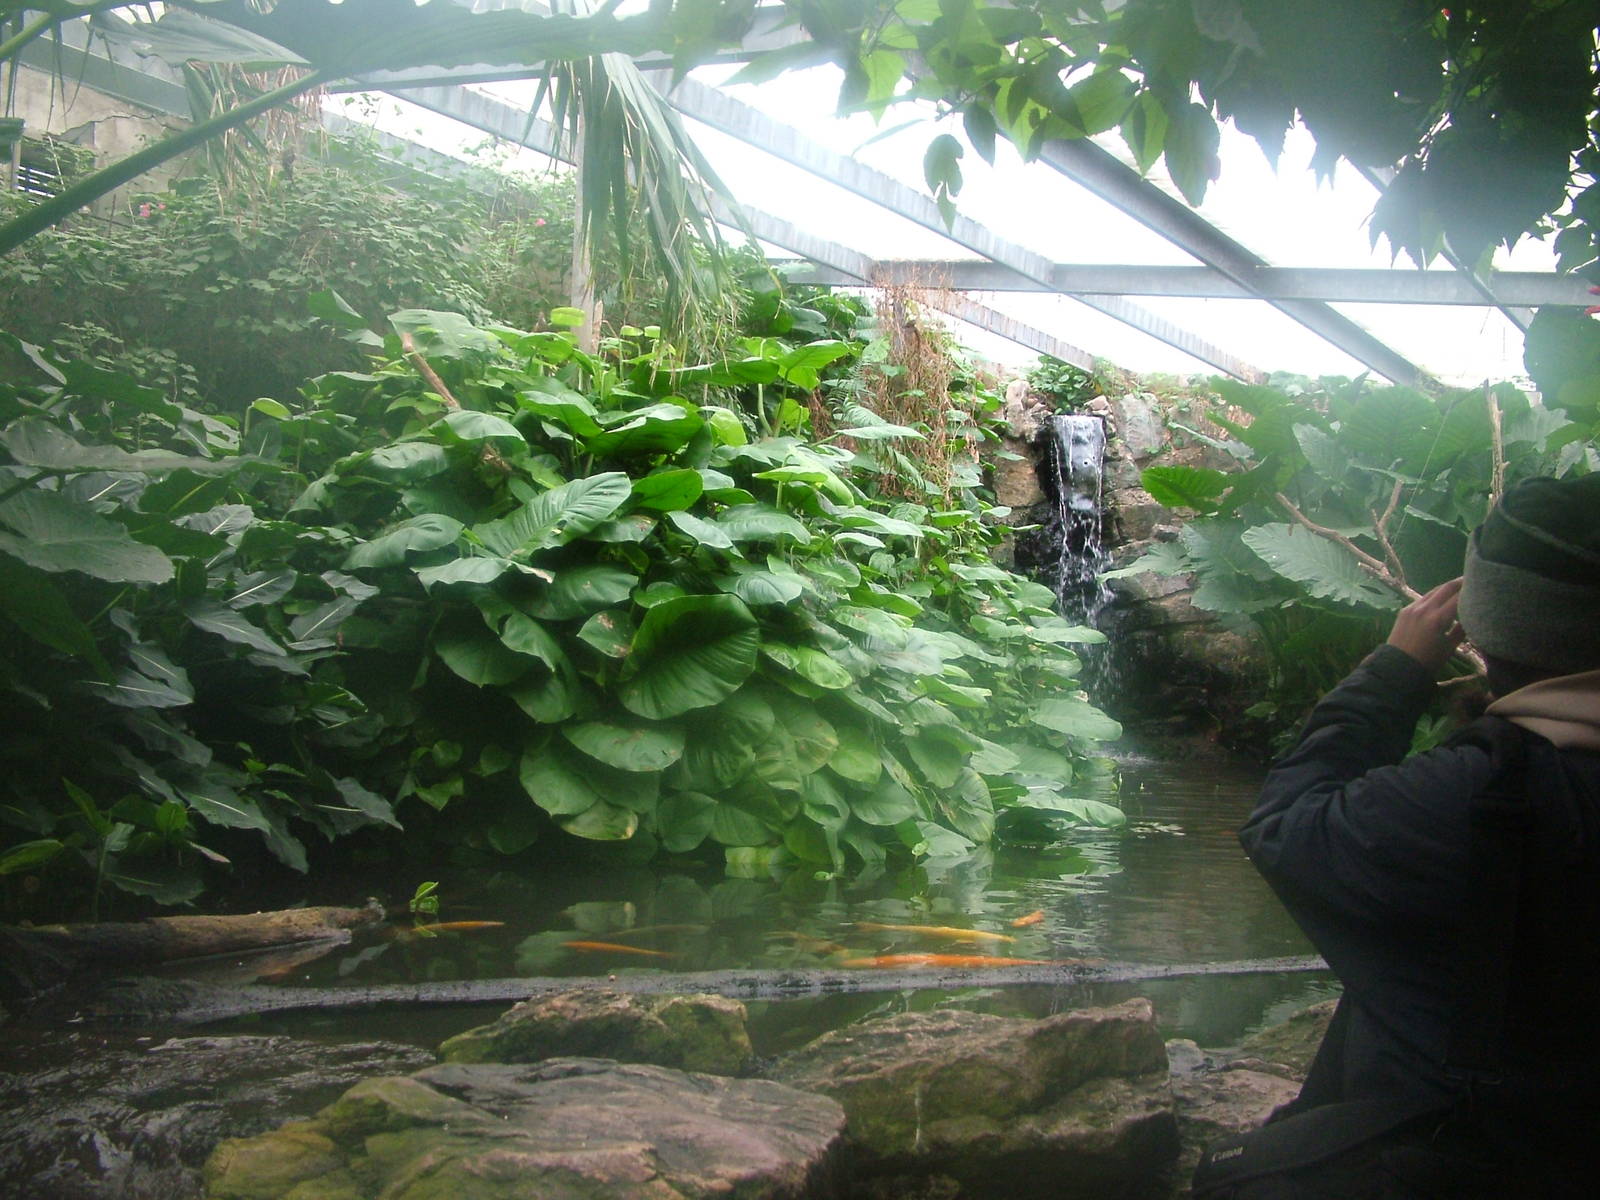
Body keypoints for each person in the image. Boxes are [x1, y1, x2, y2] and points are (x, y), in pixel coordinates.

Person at [1194, 474, 1600, 1199]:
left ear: (1487, 621)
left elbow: (1289, 829)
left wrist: (1395, 672)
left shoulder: (1482, 796)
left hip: (1483, 1154)